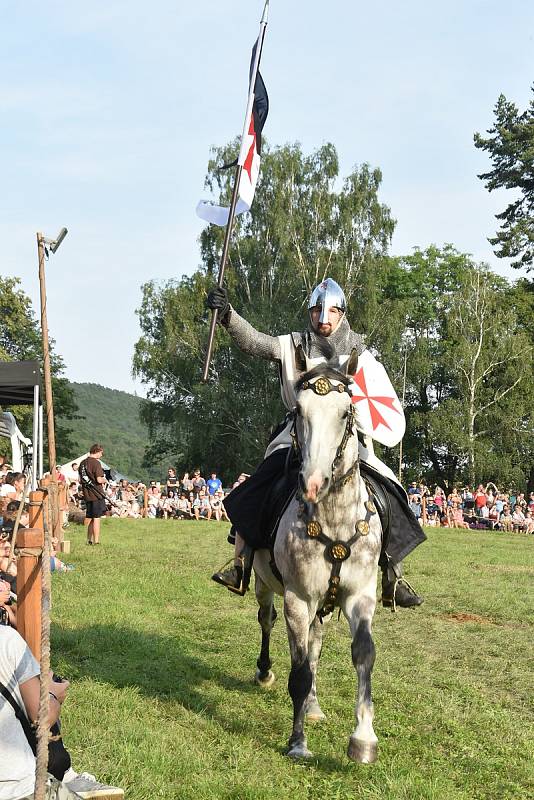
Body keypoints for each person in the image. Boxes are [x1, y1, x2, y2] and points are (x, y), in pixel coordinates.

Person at [207, 278, 425, 608]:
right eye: (318, 313)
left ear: (341, 314)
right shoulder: (292, 345)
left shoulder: (359, 354)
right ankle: (241, 564)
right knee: (258, 487)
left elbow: (374, 399)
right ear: (310, 313)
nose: (324, 320)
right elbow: (254, 342)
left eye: (332, 312)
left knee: (392, 490)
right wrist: (228, 315)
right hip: (297, 437)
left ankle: (394, 576)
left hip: (349, 442)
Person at [0, 620, 123, 799]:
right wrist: (52, 694)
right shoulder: (6, 639)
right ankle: (68, 776)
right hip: (18, 789)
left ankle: (67, 775)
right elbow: (42, 717)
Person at [78, 445, 107, 545]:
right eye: (101, 452)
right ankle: (96, 541)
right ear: (97, 451)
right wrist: (105, 479)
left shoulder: (82, 463)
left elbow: (79, 479)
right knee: (97, 518)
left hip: (87, 494)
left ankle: (88, 540)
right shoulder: (96, 463)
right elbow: (99, 479)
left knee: (91, 517)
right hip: (96, 494)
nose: (102, 455)